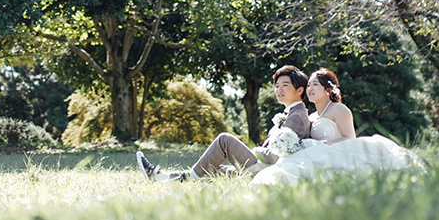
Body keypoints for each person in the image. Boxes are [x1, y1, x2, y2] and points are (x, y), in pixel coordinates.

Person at [136, 65, 311, 182]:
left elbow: (278, 156)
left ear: (300, 90)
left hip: (267, 171)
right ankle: (161, 177)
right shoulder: (290, 113)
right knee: (213, 169)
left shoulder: (297, 116)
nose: (279, 90)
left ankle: (185, 177)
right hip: (262, 167)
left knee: (225, 140)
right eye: (277, 85)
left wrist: (256, 150)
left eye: (285, 85)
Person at [251, 67, 423, 185]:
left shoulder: (339, 109)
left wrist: (323, 145)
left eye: (315, 84)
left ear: (327, 89)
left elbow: (350, 138)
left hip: (339, 152)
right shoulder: (310, 117)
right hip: (317, 154)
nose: (310, 88)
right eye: (308, 85)